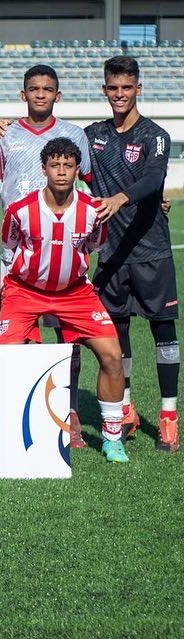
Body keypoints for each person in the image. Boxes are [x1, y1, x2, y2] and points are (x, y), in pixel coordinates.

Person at [0, 138, 127, 459]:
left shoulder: (92, 212)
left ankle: (112, 438)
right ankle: (15, 429)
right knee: (5, 359)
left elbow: (93, 248)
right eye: (55, 165)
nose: (61, 172)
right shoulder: (19, 210)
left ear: (77, 170)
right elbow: (10, 248)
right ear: (44, 169)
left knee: (112, 355)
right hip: (24, 291)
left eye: (68, 166)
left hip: (75, 293)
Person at [0, 64, 92, 433]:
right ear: (23, 95)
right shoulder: (3, 135)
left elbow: (92, 187)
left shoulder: (74, 136)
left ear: (58, 95)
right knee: (19, 337)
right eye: (33, 89)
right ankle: (22, 410)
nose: (40, 95)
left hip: (64, 253)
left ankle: (71, 411)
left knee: (68, 337)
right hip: (17, 254)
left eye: (47, 89)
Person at [86, 56, 178, 452]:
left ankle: (169, 417)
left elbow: (155, 178)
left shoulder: (154, 135)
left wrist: (122, 197)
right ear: (104, 89)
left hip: (152, 251)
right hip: (110, 255)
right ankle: (124, 408)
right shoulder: (93, 136)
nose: (120, 95)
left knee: (164, 332)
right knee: (116, 335)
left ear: (138, 88)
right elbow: (55, 146)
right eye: (113, 88)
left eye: (127, 87)